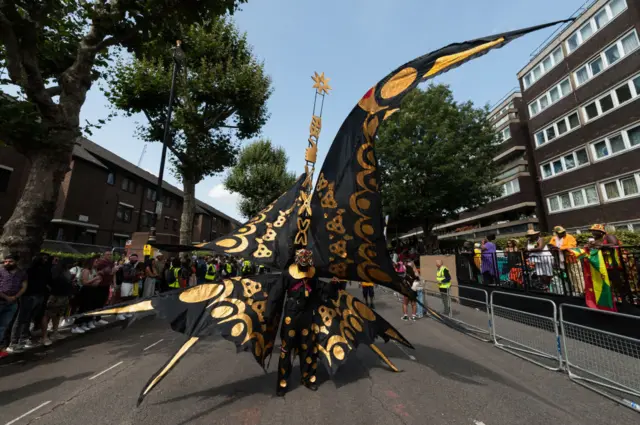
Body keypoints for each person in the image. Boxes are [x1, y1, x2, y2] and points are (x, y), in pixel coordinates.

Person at [266, 249, 320, 397]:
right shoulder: (287, 274)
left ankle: (307, 378)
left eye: (307, 265)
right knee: (286, 349)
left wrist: (335, 286)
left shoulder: (313, 274)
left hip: (307, 315)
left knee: (308, 347)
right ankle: (283, 383)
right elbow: (276, 294)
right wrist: (268, 314)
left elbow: (319, 292)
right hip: (291, 314)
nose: (305, 268)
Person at [7, 254, 48, 351]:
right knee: (21, 319)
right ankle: (14, 342)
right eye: (44, 259)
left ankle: (22, 339)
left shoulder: (41, 270)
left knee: (27, 319)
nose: (46, 261)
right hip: (28, 297)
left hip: (35, 296)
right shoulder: (29, 271)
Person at [41, 260, 74, 346]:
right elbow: (47, 283)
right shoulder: (54, 271)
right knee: (47, 315)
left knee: (58, 315)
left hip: (64, 295)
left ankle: (55, 332)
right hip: (54, 296)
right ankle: (44, 337)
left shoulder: (66, 271)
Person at [0, 255, 28, 354]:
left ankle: (1, 346)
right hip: (1, 300)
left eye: (10, 261)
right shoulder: (1, 271)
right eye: (5, 261)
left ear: (16, 262)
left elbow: (24, 287)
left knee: (4, 325)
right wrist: (6, 297)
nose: (7, 263)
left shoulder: (21, 273)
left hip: (13, 303)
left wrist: (15, 297)